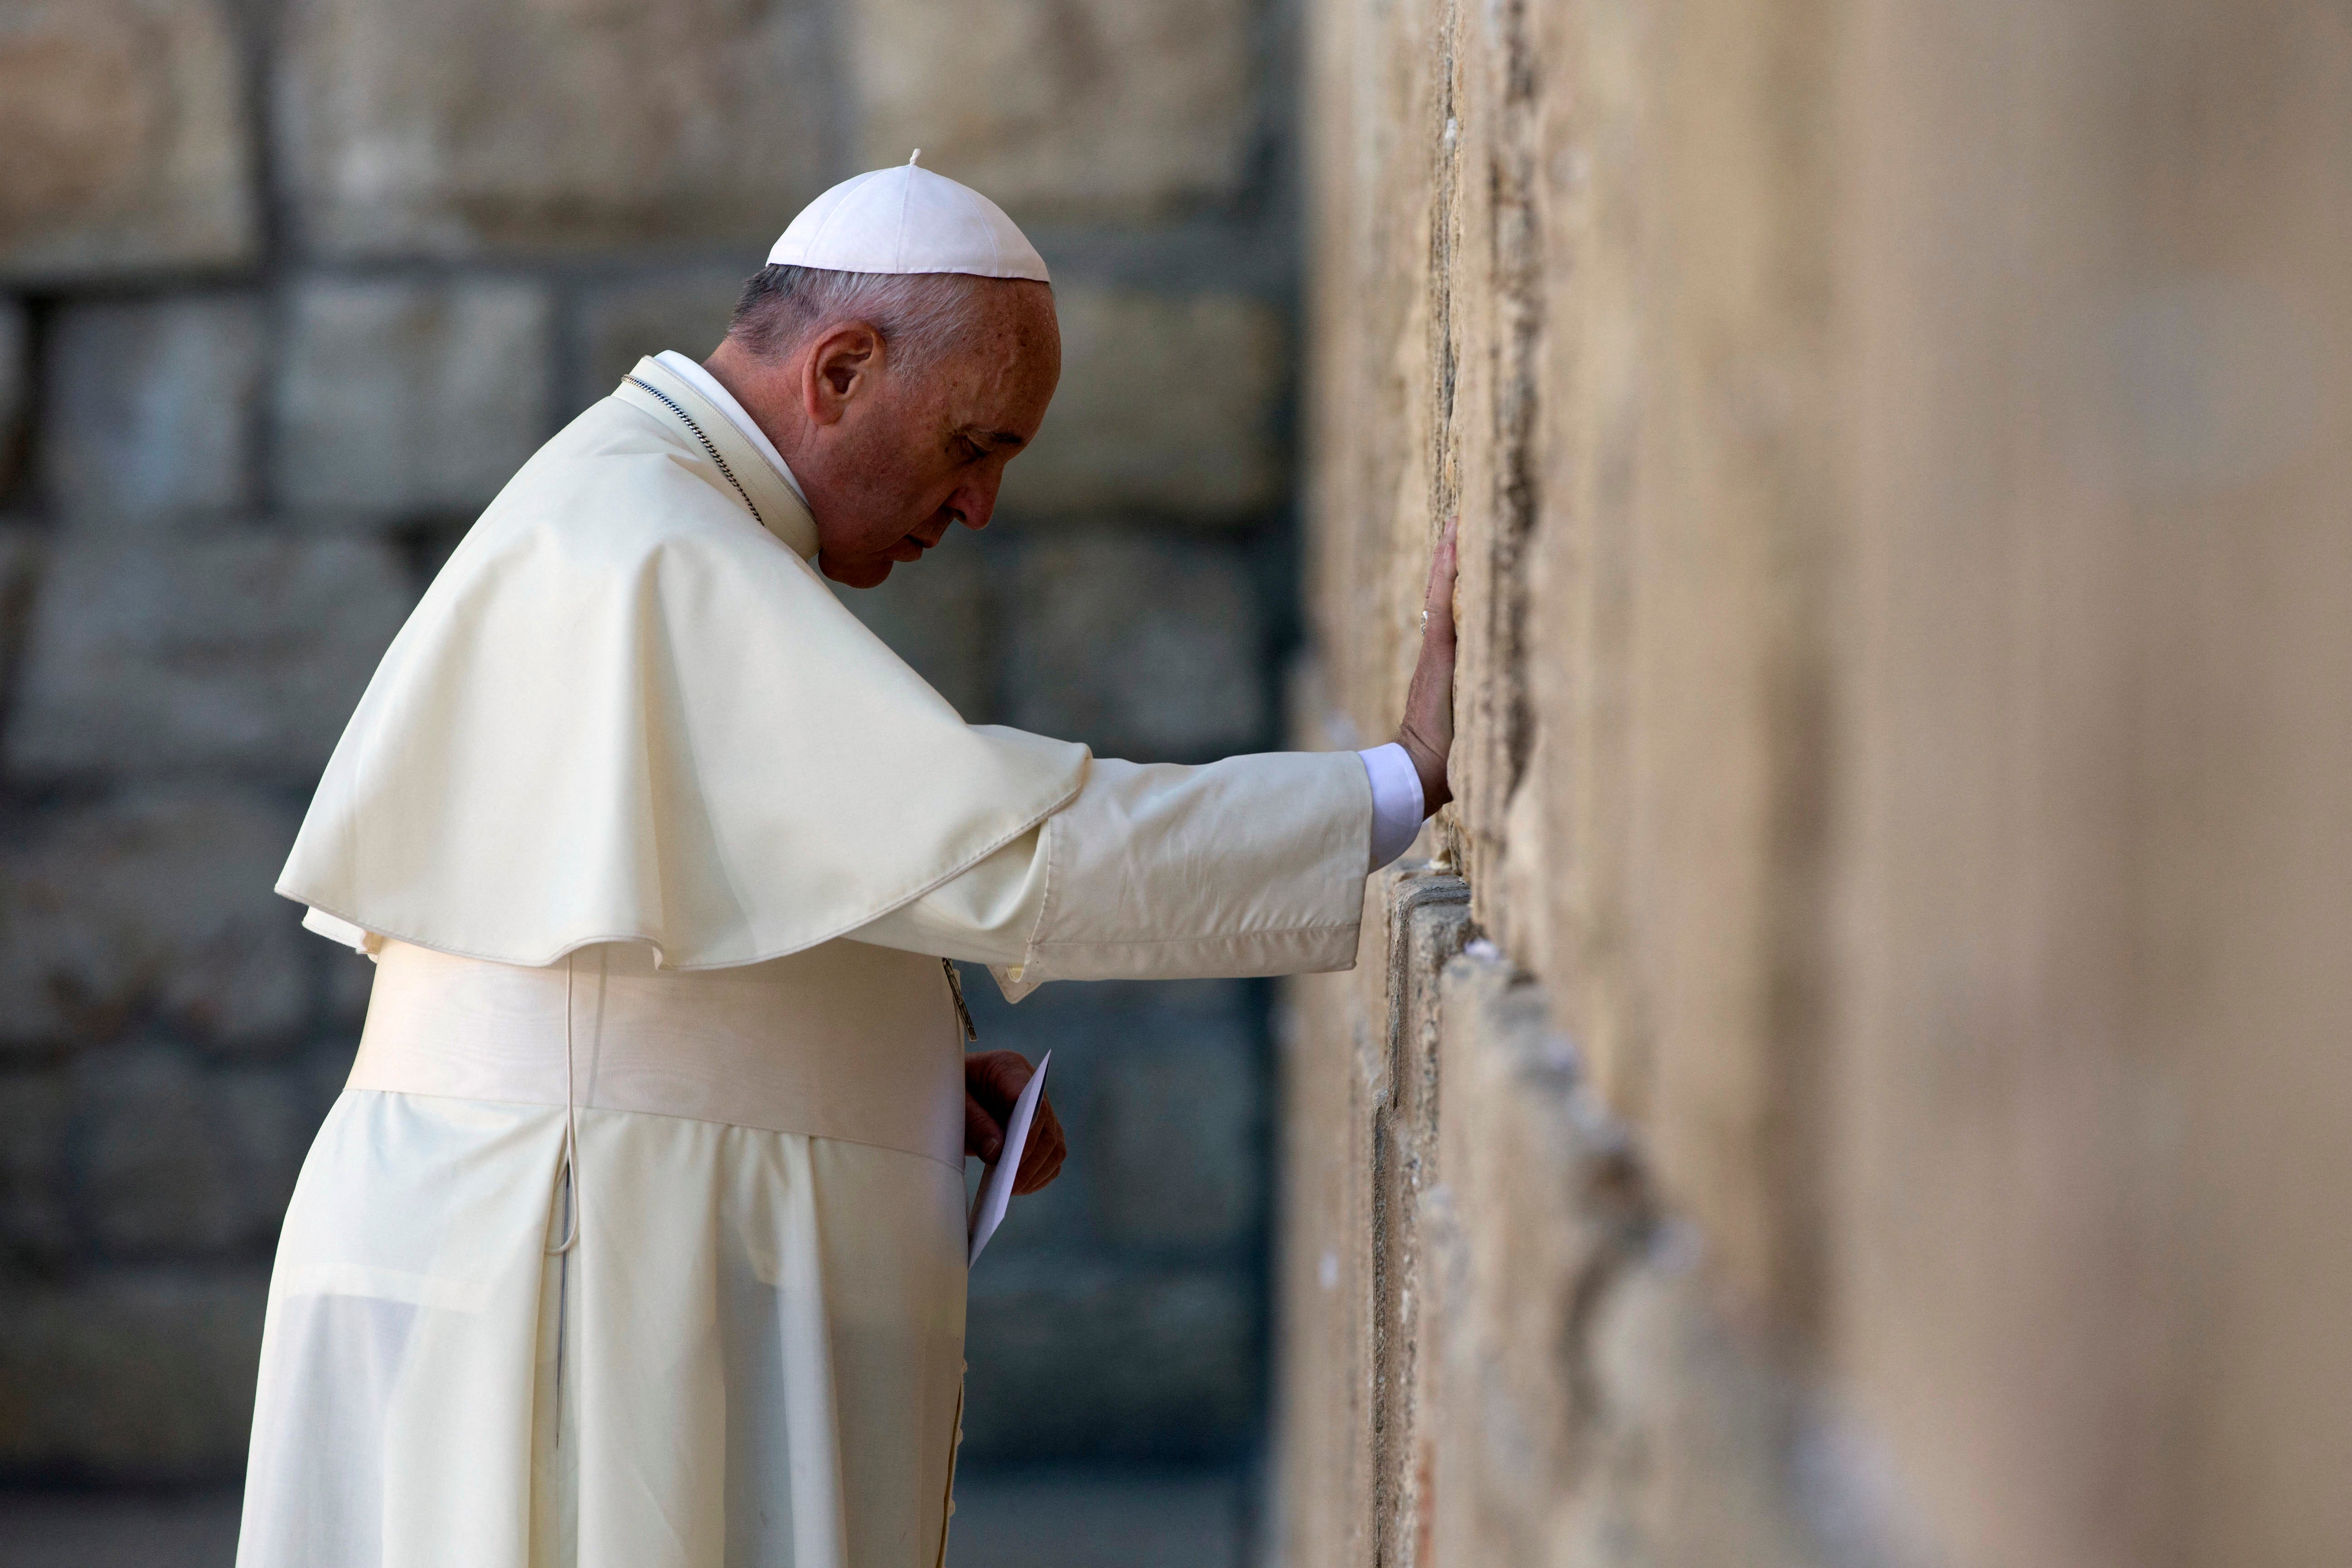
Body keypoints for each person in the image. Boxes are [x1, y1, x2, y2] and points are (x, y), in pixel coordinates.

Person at [235, 157, 1458, 1568]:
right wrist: (1398, 785)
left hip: (555, 1229)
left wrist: (887, 1066)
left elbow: (660, 934)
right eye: (975, 444)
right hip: (551, 1271)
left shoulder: (650, 503)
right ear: (841, 372)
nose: (981, 505)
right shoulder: (655, 545)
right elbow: (1008, 850)